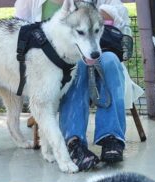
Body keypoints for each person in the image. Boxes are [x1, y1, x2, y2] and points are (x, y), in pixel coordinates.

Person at [14, 0, 143, 171]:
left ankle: (111, 138)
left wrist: (92, 13)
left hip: (99, 49)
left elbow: (121, 13)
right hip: (54, 62)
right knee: (77, 64)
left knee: (110, 61)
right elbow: (17, 27)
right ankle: (74, 142)